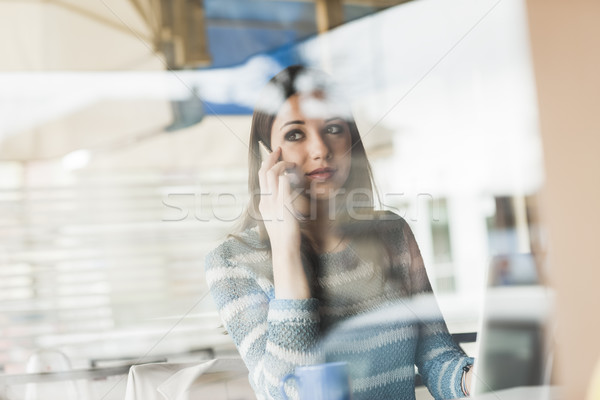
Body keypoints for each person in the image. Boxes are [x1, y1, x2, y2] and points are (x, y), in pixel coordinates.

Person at [205, 65, 473, 400]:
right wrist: (285, 248)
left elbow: (439, 359)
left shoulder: (392, 233)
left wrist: (476, 379)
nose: (320, 149)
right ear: (266, 155)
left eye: (333, 128)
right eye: (295, 134)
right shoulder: (231, 263)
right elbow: (286, 392)